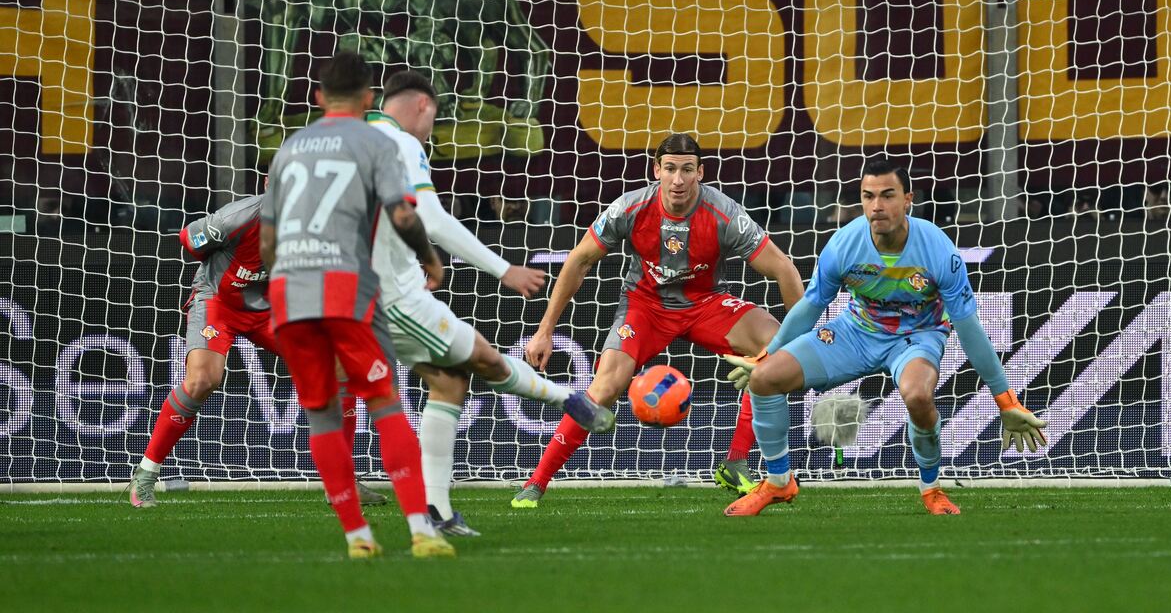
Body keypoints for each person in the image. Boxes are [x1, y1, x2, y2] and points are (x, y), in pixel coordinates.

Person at [723, 158, 1047, 518]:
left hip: (917, 337)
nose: (877, 206)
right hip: (856, 332)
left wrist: (1006, 401)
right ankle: (779, 482)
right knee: (765, 378)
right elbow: (811, 307)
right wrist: (767, 354)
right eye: (868, 196)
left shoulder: (937, 249)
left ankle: (931, 489)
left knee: (918, 396)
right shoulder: (844, 244)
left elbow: (969, 329)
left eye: (888, 195)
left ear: (908, 199)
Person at [368, 69, 614, 536]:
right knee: (480, 357)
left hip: (330, 291)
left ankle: (435, 512)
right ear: (423, 105)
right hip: (388, 295)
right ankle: (568, 399)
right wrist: (505, 270)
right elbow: (433, 218)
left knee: (447, 381)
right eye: (434, 119)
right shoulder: (401, 143)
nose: (430, 132)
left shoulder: (349, 139)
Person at [511, 133, 805, 509]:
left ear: (701, 172)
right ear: (656, 171)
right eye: (669, 169)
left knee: (775, 351)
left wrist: (800, 343)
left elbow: (784, 269)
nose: (678, 179)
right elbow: (579, 260)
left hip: (706, 302)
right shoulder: (630, 208)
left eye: (686, 170)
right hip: (645, 304)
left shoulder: (725, 213)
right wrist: (544, 331)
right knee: (605, 387)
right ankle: (536, 482)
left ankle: (735, 461)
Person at [259, 52, 454, 559]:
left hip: (287, 292)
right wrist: (430, 261)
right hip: (345, 287)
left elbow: (266, 243)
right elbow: (404, 215)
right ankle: (420, 531)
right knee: (386, 404)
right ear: (370, 98)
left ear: (320, 98)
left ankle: (358, 538)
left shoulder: (290, 148)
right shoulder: (378, 140)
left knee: (322, 415)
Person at [127, 194, 385, 509]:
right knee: (202, 381)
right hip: (219, 303)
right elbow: (189, 238)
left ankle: (343, 484)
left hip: (271, 307)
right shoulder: (241, 216)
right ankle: (145, 475)